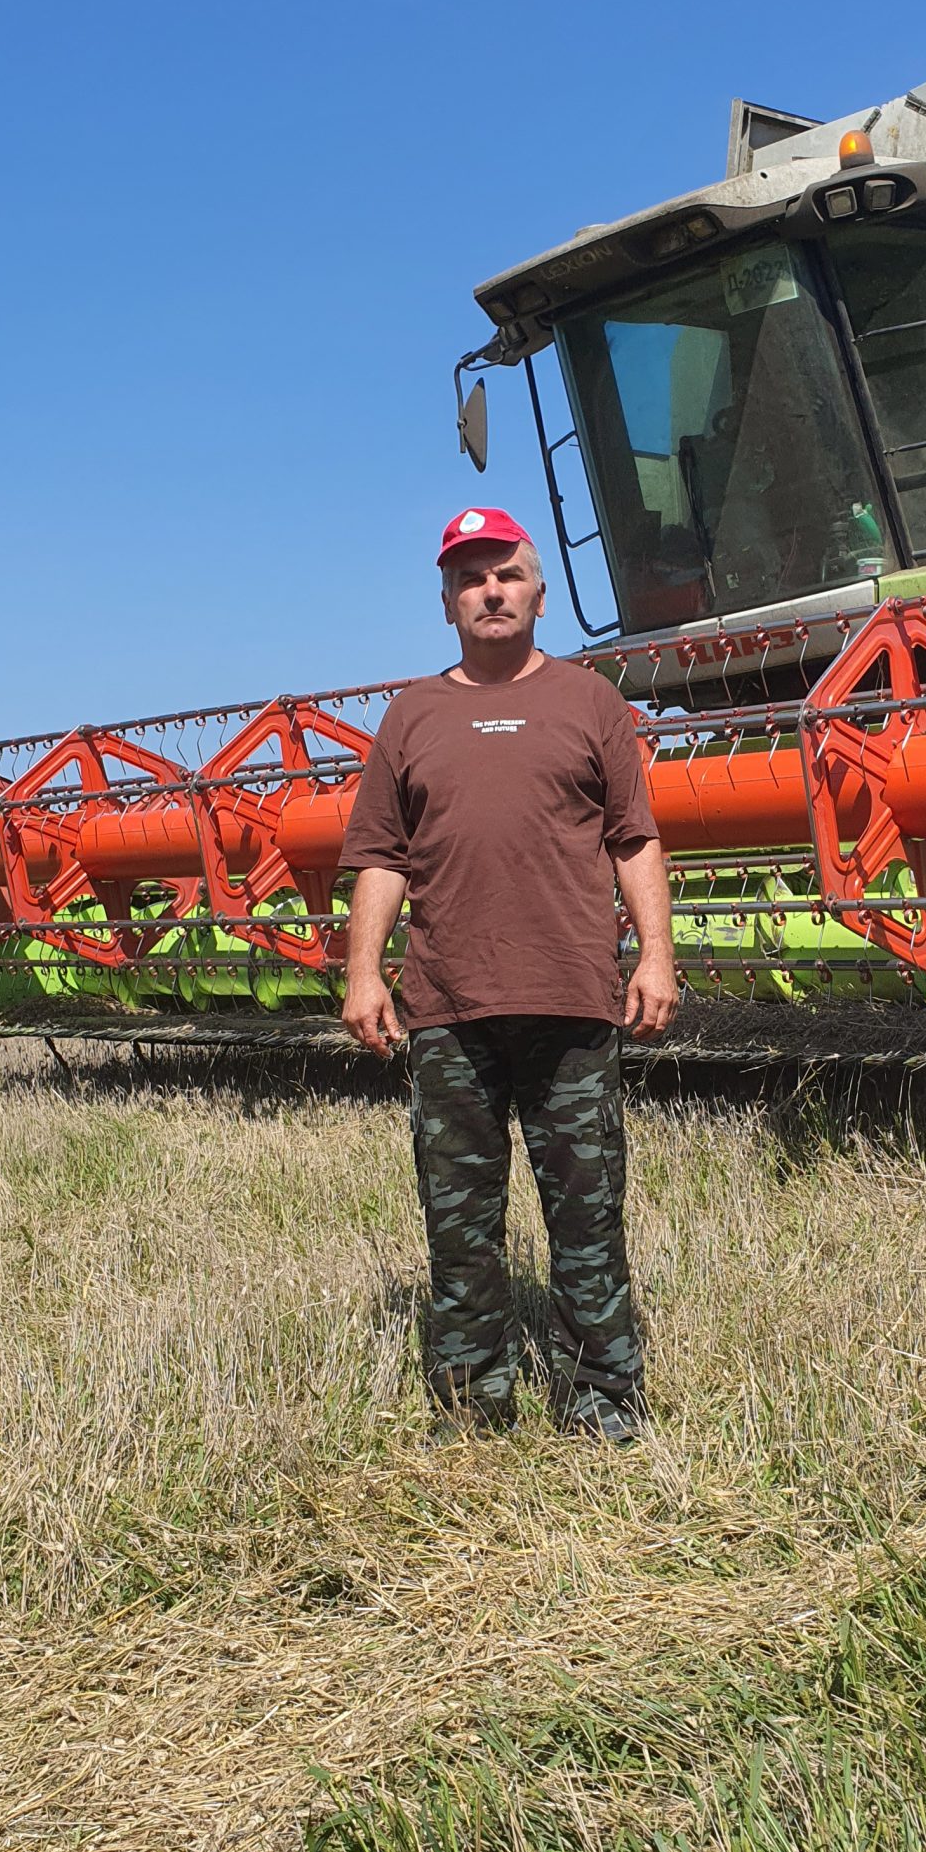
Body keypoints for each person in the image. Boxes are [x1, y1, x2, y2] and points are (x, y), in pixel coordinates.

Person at [339, 506, 678, 1444]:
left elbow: (633, 836)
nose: (490, 590)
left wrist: (655, 954)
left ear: (539, 590)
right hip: (448, 1006)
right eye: (469, 578)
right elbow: (381, 858)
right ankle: (471, 1406)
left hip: (573, 1000)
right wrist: (363, 973)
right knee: (459, 1226)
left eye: (507, 574)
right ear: (446, 601)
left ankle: (604, 1401)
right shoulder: (411, 715)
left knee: (587, 1217)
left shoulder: (591, 702)